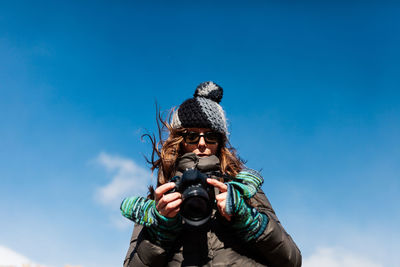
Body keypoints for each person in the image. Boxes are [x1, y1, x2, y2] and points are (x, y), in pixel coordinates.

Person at [120, 82, 302, 267]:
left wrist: (247, 219)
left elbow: (292, 260)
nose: (201, 143)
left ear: (219, 142)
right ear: (180, 140)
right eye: (192, 136)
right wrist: (161, 231)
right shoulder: (162, 200)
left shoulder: (243, 189)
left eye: (211, 136)